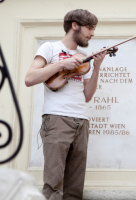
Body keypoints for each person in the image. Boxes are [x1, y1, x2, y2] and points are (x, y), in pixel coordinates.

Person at [25, 9, 106, 200]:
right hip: (57, 119)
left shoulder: (83, 57)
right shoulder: (50, 48)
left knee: (75, 188)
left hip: (81, 122)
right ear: (75, 25)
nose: (92, 33)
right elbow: (29, 78)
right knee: (53, 184)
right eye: (89, 27)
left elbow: (87, 95)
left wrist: (96, 69)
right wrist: (62, 64)